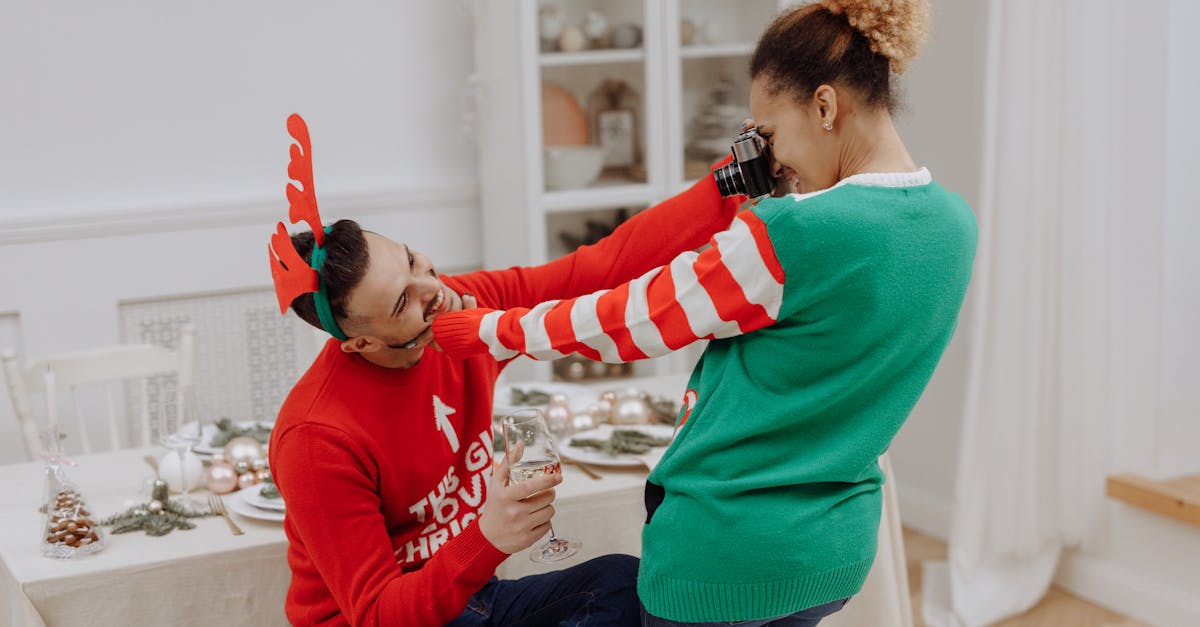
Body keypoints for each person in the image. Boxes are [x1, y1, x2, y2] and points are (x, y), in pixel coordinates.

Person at [430, 1, 977, 625]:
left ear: (825, 107)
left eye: (768, 135)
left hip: (725, 558)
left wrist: (493, 331)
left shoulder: (790, 235)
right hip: (834, 552)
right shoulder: (954, 227)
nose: (773, 159)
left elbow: (632, 318)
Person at [266, 114, 744, 626]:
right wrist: (487, 540)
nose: (433, 286)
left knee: (622, 587)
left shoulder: (463, 309)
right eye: (405, 299)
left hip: (472, 603)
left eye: (410, 259)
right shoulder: (316, 439)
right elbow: (381, 615)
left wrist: (732, 180)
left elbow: (599, 269)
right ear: (359, 343)